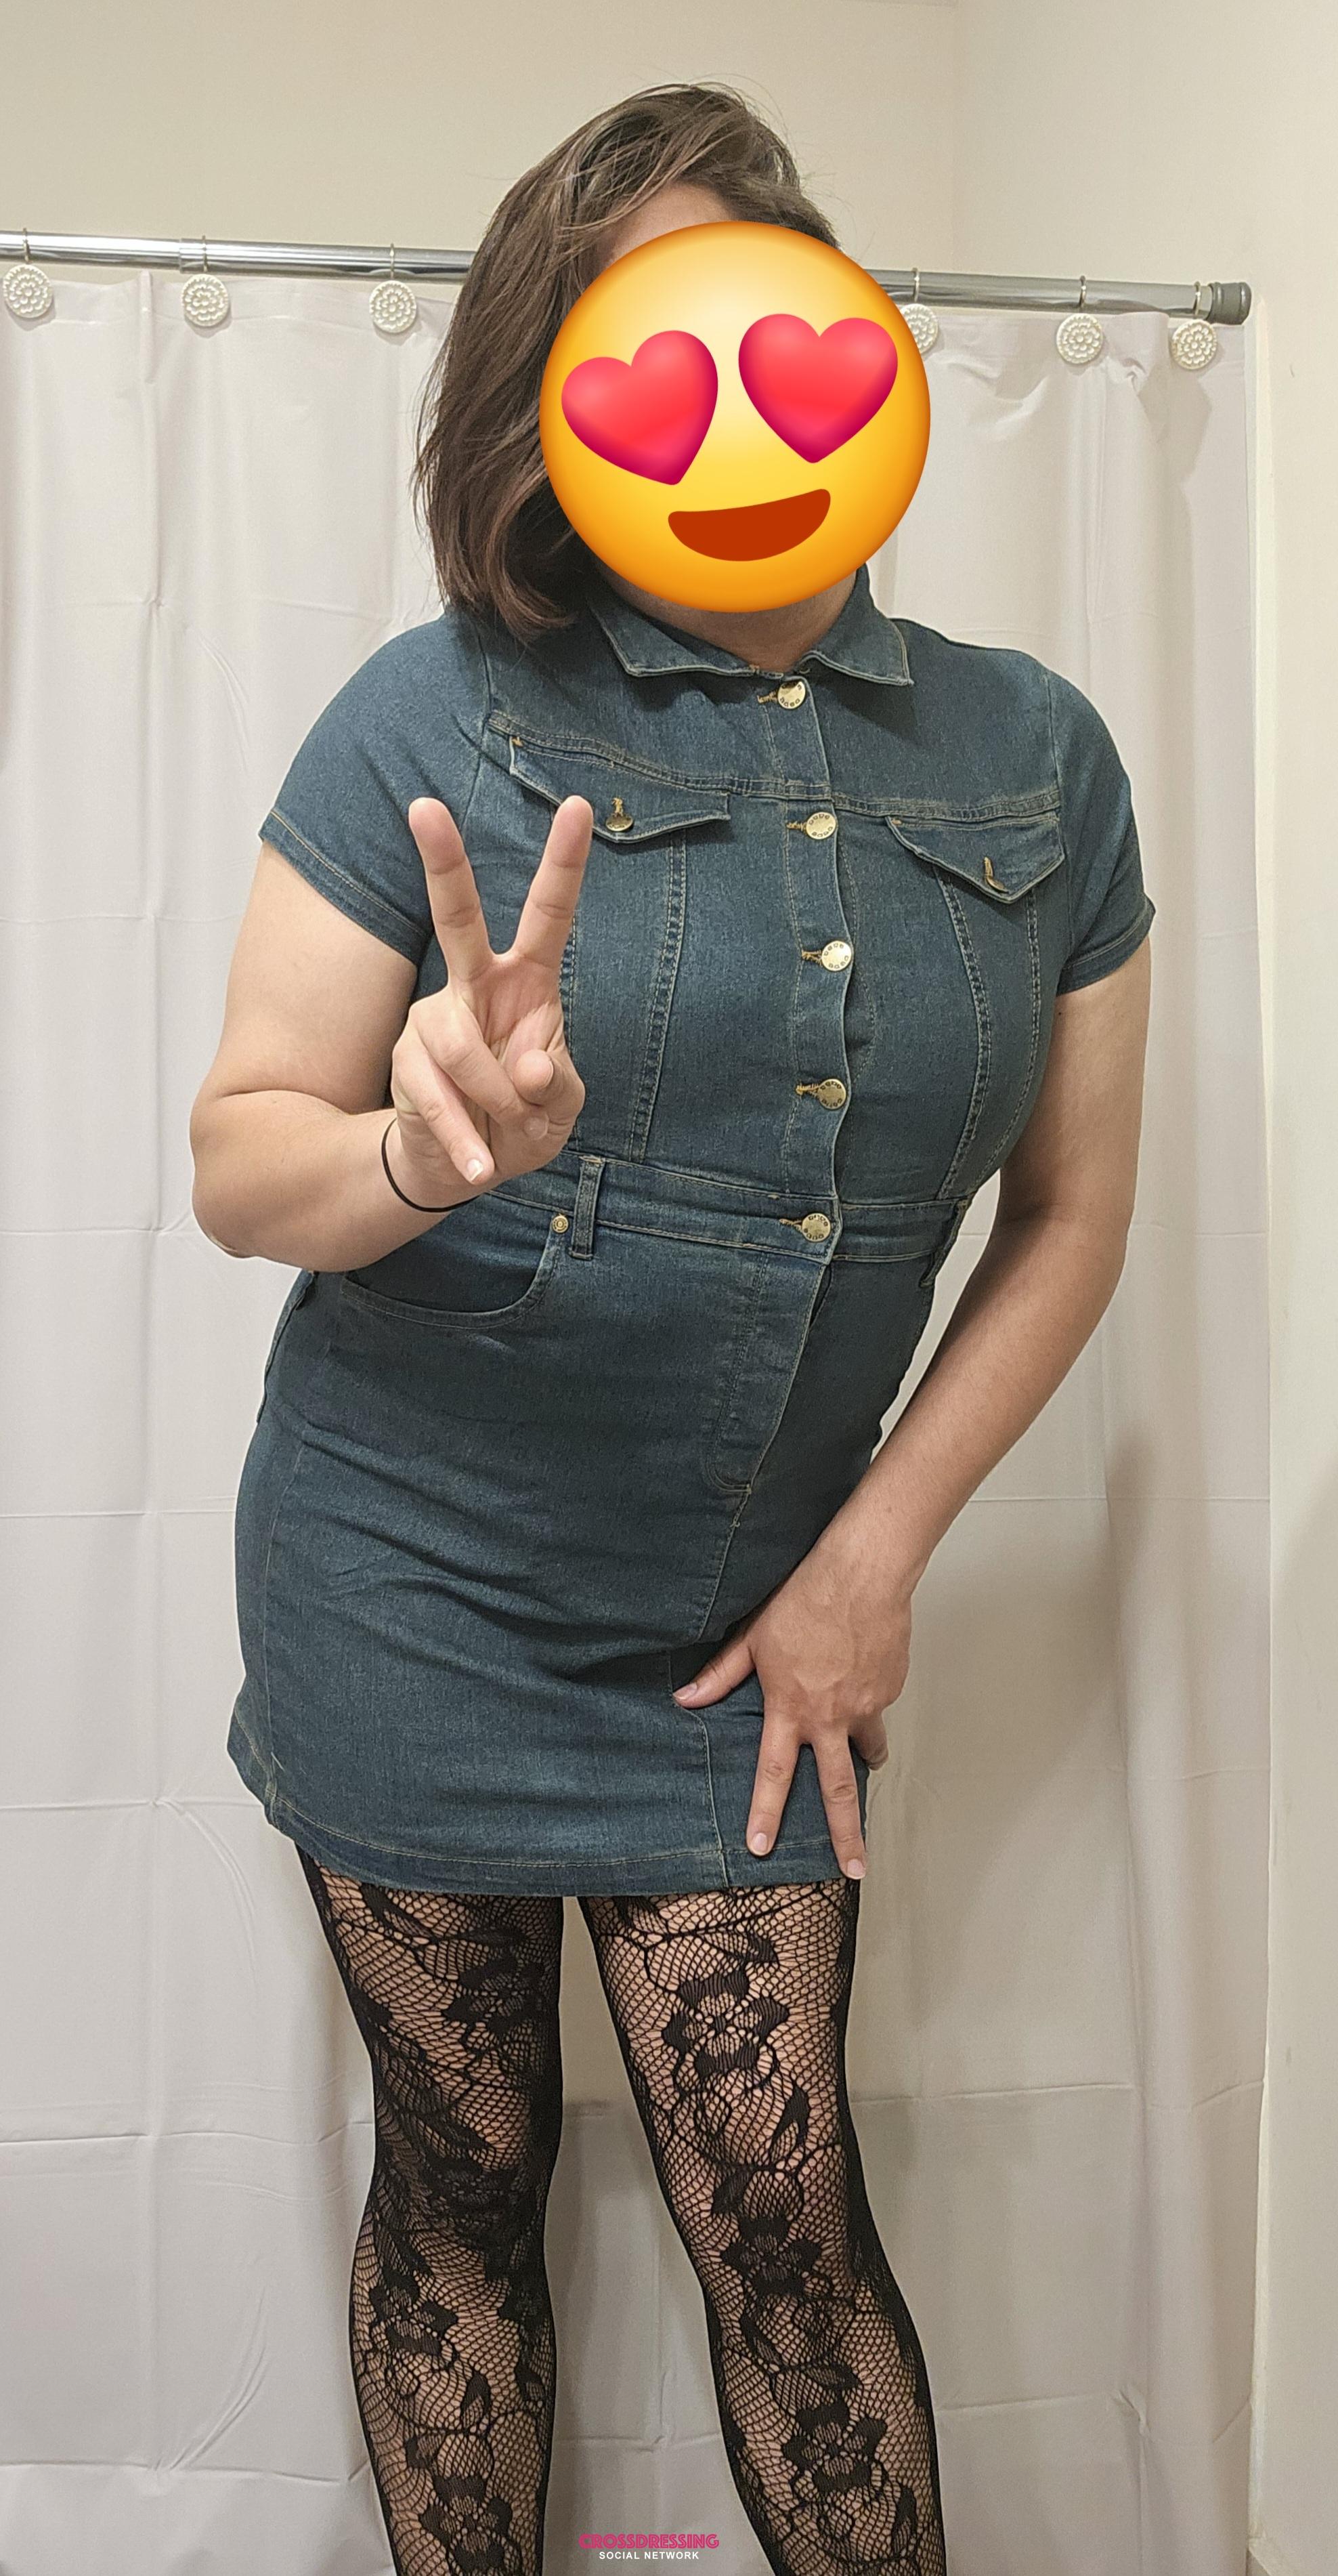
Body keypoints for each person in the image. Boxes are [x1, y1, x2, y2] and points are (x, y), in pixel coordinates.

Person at [189, 82, 1154, 2576]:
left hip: (756, 1628)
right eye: (649, 352)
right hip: (410, 1587)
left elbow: (1072, 1216)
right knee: (464, 2176)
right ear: (554, 406)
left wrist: (873, 1558)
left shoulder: (1037, 754)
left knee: (783, 2218)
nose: (732, 408)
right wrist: (425, 1153)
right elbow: (243, 1157)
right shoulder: (430, 714)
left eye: (773, 330)